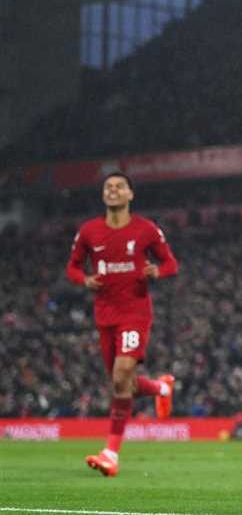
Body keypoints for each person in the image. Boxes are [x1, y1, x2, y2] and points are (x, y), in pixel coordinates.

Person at [66, 172, 179, 477]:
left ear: (130, 194)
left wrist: (157, 272)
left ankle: (111, 453)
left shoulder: (145, 230)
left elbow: (171, 263)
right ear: (103, 195)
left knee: (121, 376)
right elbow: (72, 267)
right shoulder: (89, 231)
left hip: (135, 313)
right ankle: (161, 387)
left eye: (119, 186)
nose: (113, 190)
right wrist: (84, 279)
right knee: (122, 384)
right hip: (105, 315)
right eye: (108, 187)